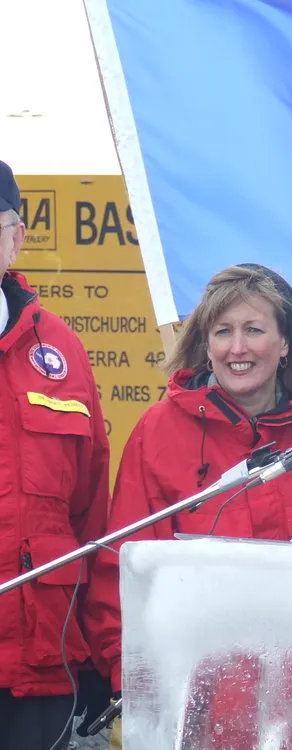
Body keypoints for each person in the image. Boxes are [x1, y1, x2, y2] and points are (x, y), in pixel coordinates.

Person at [83, 264, 292, 748]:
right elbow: (122, 574)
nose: (237, 348)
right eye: (223, 332)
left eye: (254, 330)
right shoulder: (159, 433)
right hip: (195, 712)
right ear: (206, 343)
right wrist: (131, 684)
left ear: (285, 343)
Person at [0, 159, 111, 749]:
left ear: (16, 239)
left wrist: (95, 652)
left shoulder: (61, 348)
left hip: (41, 663)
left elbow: (91, 515)